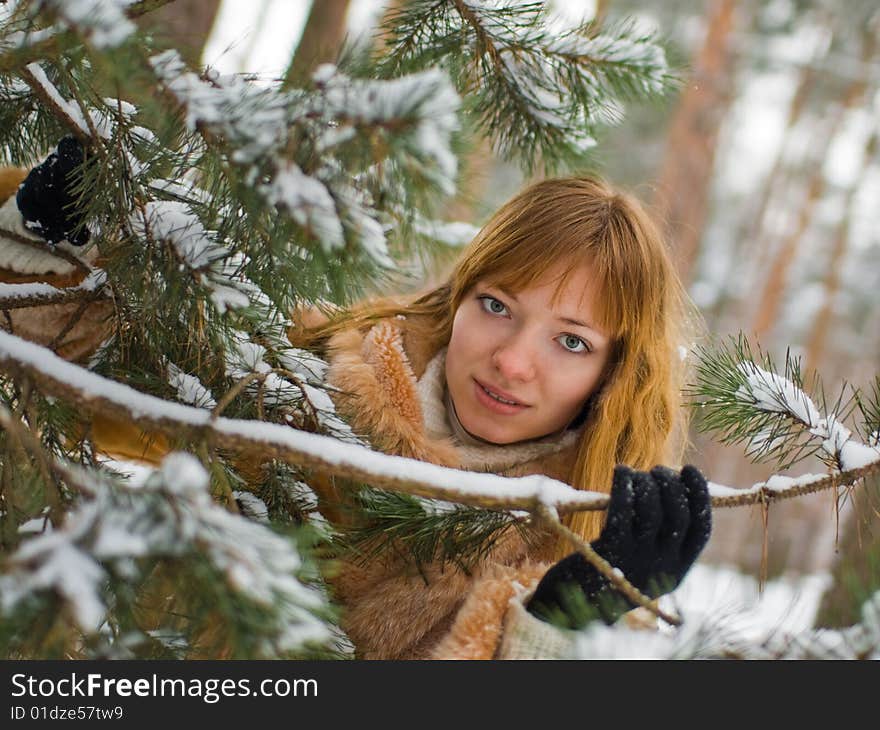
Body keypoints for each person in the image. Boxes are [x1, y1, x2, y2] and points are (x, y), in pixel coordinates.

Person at [0, 140, 711, 659]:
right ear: (458, 297)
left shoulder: (565, 545)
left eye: (572, 342)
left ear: (614, 375)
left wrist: (551, 634)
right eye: (497, 305)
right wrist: (49, 245)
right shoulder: (314, 373)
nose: (513, 360)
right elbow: (77, 372)